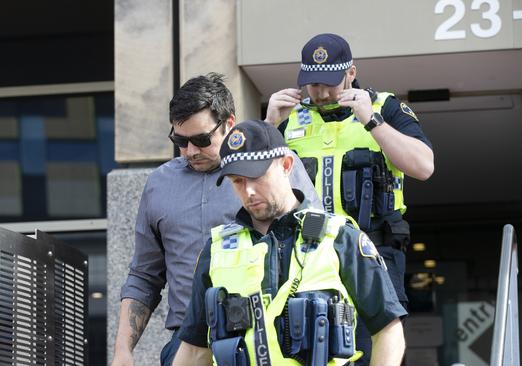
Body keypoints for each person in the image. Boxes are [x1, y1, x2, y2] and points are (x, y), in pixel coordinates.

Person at [112, 73, 319, 366]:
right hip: (187, 342)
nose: (191, 151)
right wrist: (123, 351)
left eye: (201, 139)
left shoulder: (273, 168)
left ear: (229, 123)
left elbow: (317, 238)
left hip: (269, 338)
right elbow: (145, 276)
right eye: (180, 141)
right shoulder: (159, 185)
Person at [173, 119, 407, 366]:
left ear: (286, 164)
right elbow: (194, 350)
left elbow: (388, 331)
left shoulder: (339, 237)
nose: (249, 191)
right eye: (237, 181)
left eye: (257, 176)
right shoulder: (217, 250)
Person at [264, 33, 434, 364]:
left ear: (351, 73)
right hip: (308, 258)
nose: (322, 92)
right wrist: (269, 125)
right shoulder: (291, 118)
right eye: (312, 83)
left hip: (373, 252)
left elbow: (424, 166)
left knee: (375, 348)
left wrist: (371, 120)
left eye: (329, 82)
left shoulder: (385, 107)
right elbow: (256, 188)